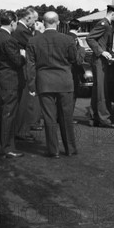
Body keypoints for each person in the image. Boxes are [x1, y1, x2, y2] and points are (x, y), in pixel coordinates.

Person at [26, 12, 80, 158]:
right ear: (57, 22)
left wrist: (31, 86)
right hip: (65, 82)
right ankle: (70, 148)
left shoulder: (33, 41)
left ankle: (53, 150)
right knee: (66, 117)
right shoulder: (68, 39)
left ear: (43, 22)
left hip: (45, 83)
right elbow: (74, 59)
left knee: (49, 118)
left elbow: (30, 66)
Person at [0, 11, 25, 158]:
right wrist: (23, 56)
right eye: (16, 23)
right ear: (12, 23)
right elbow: (17, 61)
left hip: (0, 75)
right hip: (10, 78)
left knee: (2, 112)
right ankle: (6, 148)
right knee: (9, 114)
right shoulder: (9, 39)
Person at [86, 5, 114, 128]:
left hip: (100, 60)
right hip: (99, 60)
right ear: (112, 13)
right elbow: (90, 38)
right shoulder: (104, 24)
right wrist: (102, 51)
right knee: (101, 90)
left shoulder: (107, 24)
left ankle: (94, 117)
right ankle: (104, 119)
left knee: (98, 90)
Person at [13, 8, 39, 141]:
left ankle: (23, 129)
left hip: (23, 67)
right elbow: (36, 44)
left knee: (25, 100)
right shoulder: (22, 31)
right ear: (28, 18)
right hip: (23, 69)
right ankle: (22, 131)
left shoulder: (22, 30)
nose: (35, 22)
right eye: (34, 19)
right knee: (24, 100)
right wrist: (39, 31)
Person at [67, 19, 85, 123]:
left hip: (63, 70)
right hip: (73, 71)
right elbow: (78, 60)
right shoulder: (76, 40)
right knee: (72, 96)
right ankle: (68, 117)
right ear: (79, 28)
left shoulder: (63, 37)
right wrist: (82, 48)